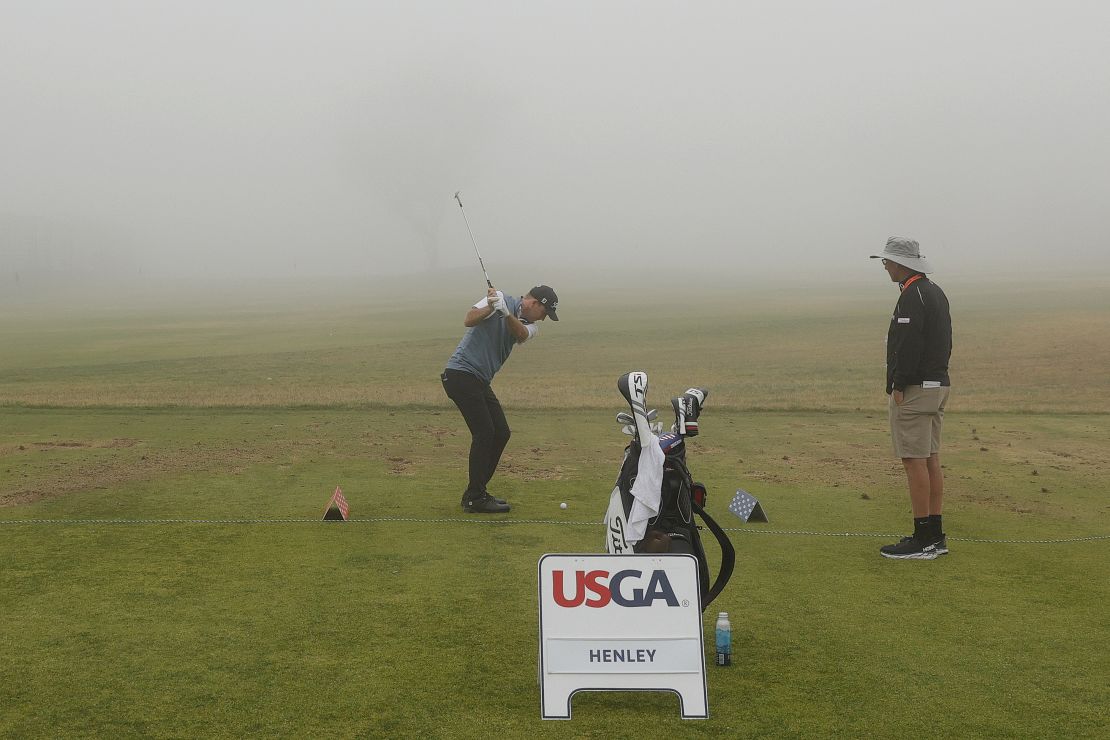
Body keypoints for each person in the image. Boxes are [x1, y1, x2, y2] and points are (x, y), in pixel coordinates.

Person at [441, 285, 559, 513]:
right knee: (484, 432)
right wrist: (491, 308)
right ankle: (475, 498)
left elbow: (521, 334)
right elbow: (469, 320)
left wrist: (506, 314)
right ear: (535, 303)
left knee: (501, 432)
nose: (543, 319)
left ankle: (476, 492)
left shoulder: (530, 326)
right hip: (460, 374)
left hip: (479, 380)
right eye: (544, 313)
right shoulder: (499, 298)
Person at [870, 237, 953, 559]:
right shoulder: (932, 291)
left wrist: (899, 384)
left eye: (887, 261)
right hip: (937, 385)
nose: (885, 266)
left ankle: (923, 539)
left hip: (917, 389)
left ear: (903, 263)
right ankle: (933, 534)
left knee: (914, 460)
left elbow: (908, 346)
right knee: (930, 458)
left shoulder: (913, 295)